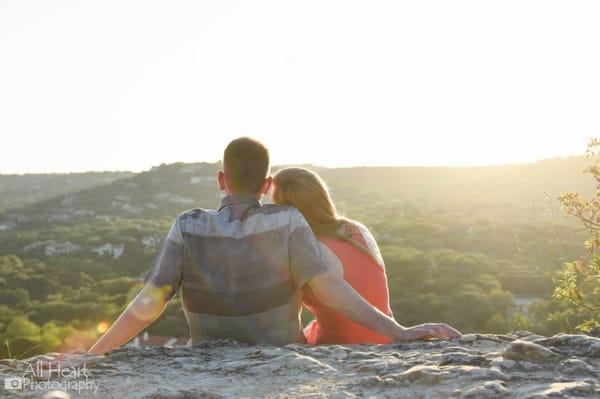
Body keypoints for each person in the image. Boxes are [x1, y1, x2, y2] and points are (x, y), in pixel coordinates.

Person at [89, 137, 459, 355]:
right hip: (282, 358)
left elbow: (149, 302)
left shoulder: (186, 226)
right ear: (266, 187)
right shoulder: (287, 222)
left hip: (204, 358)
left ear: (221, 179)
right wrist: (398, 331)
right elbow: (329, 286)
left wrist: (93, 355)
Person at [272, 167, 394, 344]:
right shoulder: (358, 230)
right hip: (387, 337)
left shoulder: (306, 248)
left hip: (340, 347)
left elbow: (285, 318)